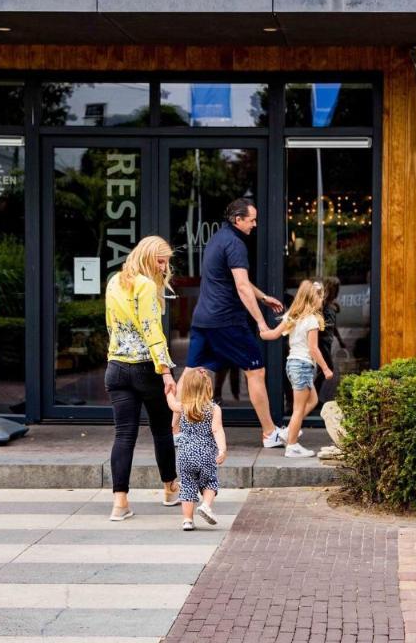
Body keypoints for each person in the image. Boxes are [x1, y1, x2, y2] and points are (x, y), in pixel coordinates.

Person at [187, 198, 286, 447]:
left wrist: (263, 297)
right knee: (255, 370)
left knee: (191, 371)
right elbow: (241, 286)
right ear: (238, 219)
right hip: (226, 319)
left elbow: (237, 280)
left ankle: (176, 429)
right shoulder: (235, 244)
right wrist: (262, 324)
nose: (255, 224)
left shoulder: (218, 239)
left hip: (204, 317)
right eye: (251, 220)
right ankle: (269, 432)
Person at [103, 236, 180, 521]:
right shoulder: (146, 286)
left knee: (124, 434)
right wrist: (167, 371)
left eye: (167, 261)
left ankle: (119, 502)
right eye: (161, 261)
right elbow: (152, 330)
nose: (165, 267)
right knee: (161, 430)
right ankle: (171, 488)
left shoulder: (114, 282)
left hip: (116, 365)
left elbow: (111, 325)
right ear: (147, 257)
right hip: (145, 367)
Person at [261, 279, 332, 457]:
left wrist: (262, 331)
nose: (321, 300)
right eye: (319, 297)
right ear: (312, 299)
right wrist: (326, 369)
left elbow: (273, 334)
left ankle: (288, 432)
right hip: (303, 365)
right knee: (299, 409)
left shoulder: (292, 315)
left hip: (292, 364)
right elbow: (314, 349)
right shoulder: (312, 321)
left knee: (313, 400)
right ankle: (292, 445)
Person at [166, 367, 227, 531]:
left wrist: (169, 392)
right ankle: (206, 506)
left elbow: (171, 404)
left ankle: (187, 520)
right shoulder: (214, 409)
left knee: (187, 485)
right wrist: (222, 450)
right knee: (210, 482)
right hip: (206, 454)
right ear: (208, 387)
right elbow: (217, 430)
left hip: (185, 454)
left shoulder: (184, 406)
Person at [314, 276, 345, 401]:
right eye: (336, 288)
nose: (338, 291)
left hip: (328, 341)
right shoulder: (323, 303)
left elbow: (334, 326)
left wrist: (340, 340)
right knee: (326, 368)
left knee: (323, 369)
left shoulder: (331, 304)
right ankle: (313, 398)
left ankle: (314, 398)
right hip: (321, 342)